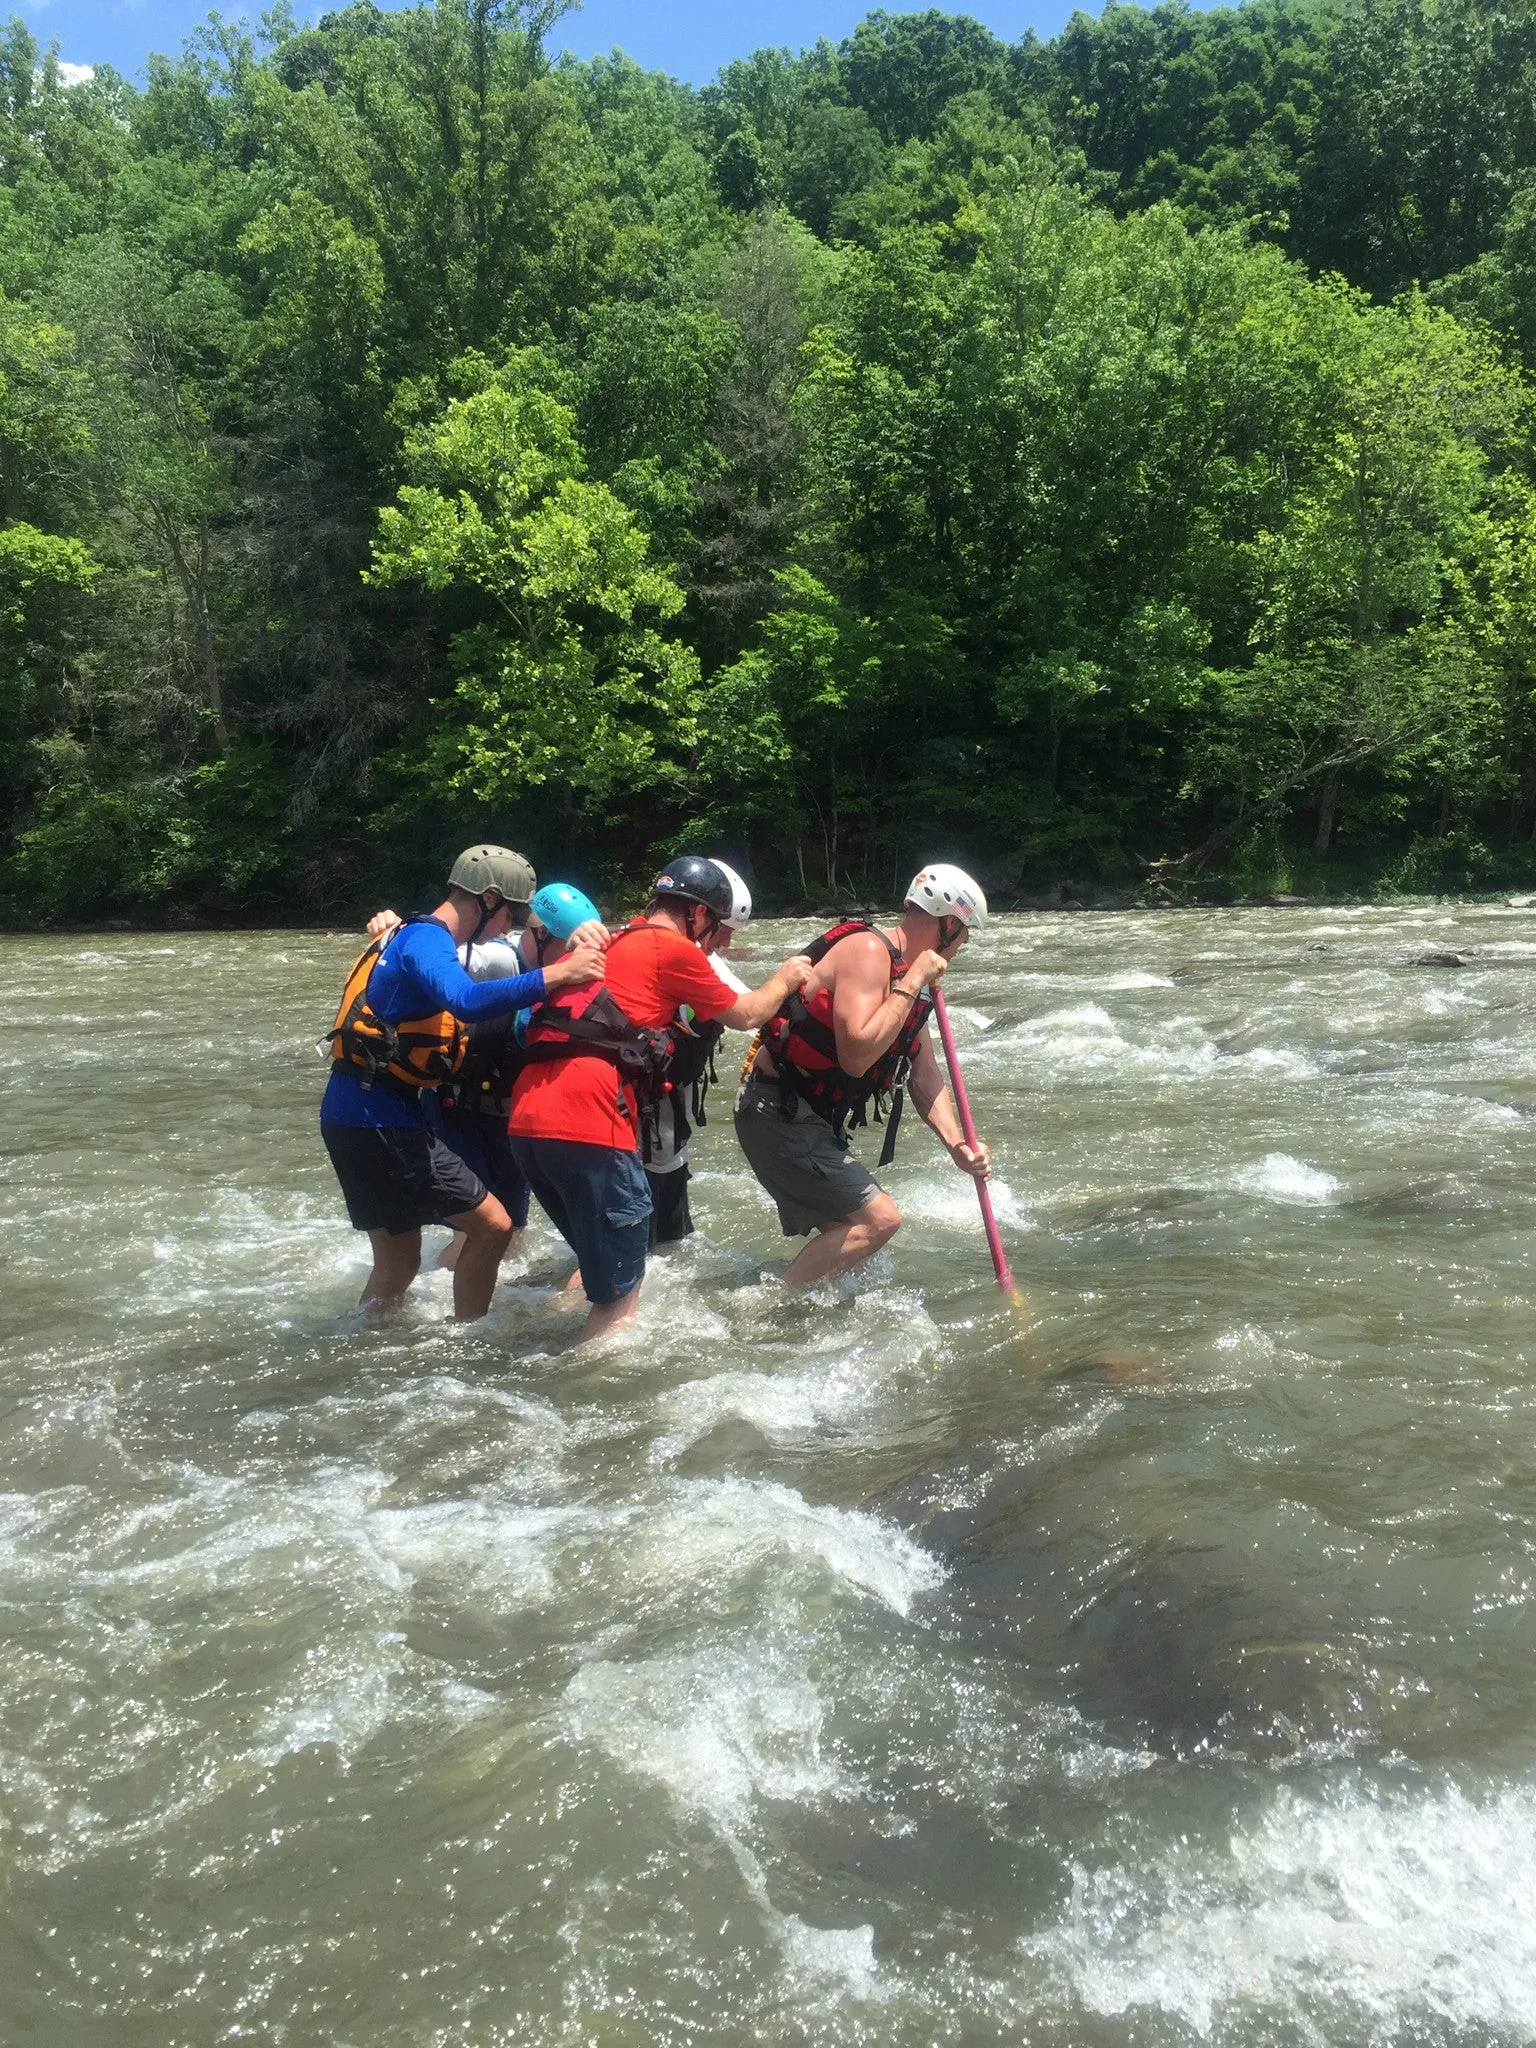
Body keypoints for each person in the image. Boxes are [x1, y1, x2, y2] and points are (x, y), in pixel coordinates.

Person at [507, 856, 813, 1342]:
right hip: (591, 1121)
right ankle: (590, 1395)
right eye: (715, 923)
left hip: (527, 1124)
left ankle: (547, 1348)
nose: (717, 936)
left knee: (599, 1267)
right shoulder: (671, 948)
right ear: (697, 914)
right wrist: (787, 976)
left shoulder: (608, 941)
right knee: (619, 1299)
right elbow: (748, 1013)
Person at [321, 846, 602, 1320]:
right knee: (494, 1226)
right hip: (379, 1117)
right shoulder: (427, 940)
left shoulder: (405, 932)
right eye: (509, 915)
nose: (509, 929)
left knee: (400, 1261)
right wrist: (558, 974)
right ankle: (469, 1341)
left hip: (355, 1110)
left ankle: (365, 1344)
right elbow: (466, 1000)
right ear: (489, 899)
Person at [734, 863, 993, 1286]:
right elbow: (856, 1055)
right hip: (774, 1107)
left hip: (806, 1115)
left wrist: (958, 1146)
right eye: (965, 931)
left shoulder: (905, 977)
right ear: (947, 923)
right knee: (880, 1220)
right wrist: (913, 983)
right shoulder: (868, 953)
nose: (964, 943)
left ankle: (796, 1320)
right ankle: (765, 1307)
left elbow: (924, 1074)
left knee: (854, 1250)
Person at [363, 880, 608, 1277]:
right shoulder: (493, 956)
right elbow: (426, 957)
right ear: (540, 933)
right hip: (458, 1112)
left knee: (513, 1232)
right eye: (568, 945)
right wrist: (391, 929)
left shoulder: (563, 968)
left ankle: (492, 1306)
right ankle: (437, 1300)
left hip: (508, 1121)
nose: (572, 959)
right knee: (475, 1231)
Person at [644, 857, 753, 1248]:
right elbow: (752, 1012)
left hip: (644, 1116)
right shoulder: (685, 957)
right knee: (656, 1240)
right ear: (699, 915)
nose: (725, 943)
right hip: (655, 1120)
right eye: (723, 930)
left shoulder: (637, 943)